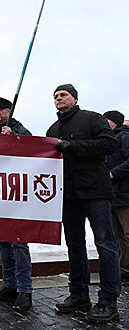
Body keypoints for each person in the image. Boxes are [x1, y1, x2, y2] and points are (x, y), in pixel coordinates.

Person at [47, 84, 121, 322]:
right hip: (69, 197)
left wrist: (74, 146)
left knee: (106, 245)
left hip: (96, 193)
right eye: (56, 96)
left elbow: (109, 144)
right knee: (75, 246)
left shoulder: (92, 119)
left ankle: (108, 300)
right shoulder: (52, 129)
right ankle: (78, 294)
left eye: (63, 95)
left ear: (75, 99)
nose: (59, 98)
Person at [0, 97, 33, 312]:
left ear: (9, 111)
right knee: (1, 241)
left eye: (0, 109)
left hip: (16, 193)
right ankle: (9, 285)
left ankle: (25, 290)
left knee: (19, 243)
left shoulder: (20, 130)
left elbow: (32, 149)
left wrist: (15, 138)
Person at [103, 110, 129, 284]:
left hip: (125, 195)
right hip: (111, 195)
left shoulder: (124, 137)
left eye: (106, 120)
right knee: (117, 236)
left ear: (114, 122)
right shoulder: (108, 140)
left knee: (127, 234)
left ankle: (125, 270)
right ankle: (122, 269)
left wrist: (113, 174)